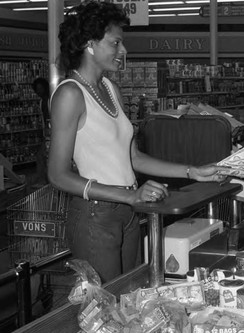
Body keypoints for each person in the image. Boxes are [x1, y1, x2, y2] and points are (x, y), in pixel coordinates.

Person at [48, 0, 227, 283]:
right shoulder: (69, 95)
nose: (124, 51)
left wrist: (193, 171)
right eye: (116, 43)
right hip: (96, 215)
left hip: (129, 211)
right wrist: (129, 195)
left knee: (131, 297)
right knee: (107, 306)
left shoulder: (110, 88)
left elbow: (134, 158)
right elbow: (57, 175)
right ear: (89, 44)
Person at [32, 77, 51, 185]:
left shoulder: (49, 100)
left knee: (41, 156)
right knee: (43, 157)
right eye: (37, 89)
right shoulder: (41, 102)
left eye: (40, 88)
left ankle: (42, 180)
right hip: (47, 134)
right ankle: (45, 180)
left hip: (52, 134)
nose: (39, 91)